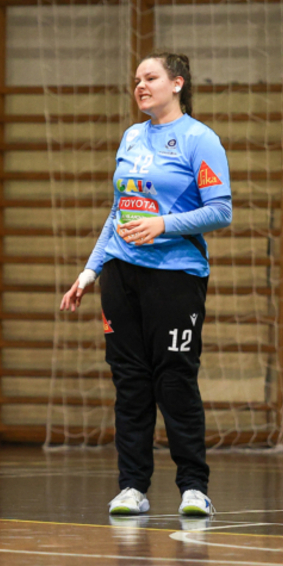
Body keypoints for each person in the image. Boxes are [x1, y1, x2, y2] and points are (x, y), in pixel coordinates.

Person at [59, 52, 232, 518]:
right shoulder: (132, 137)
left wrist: (164, 225)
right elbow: (118, 213)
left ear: (176, 83)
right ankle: (132, 487)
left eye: (150, 77)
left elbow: (221, 210)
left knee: (174, 381)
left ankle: (194, 487)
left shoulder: (200, 139)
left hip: (176, 277)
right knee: (130, 383)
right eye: (136, 79)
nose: (140, 85)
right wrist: (90, 271)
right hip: (121, 276)